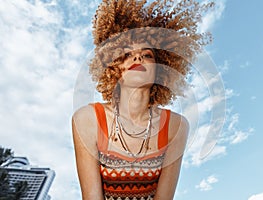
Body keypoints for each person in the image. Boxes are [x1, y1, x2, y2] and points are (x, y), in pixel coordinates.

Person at [72, 0, 214, 199]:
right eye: (127, 54)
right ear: (113, 67)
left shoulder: (176, 126)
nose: (137, 58)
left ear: (161, 68)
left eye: (147, 55)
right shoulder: (87, 119)